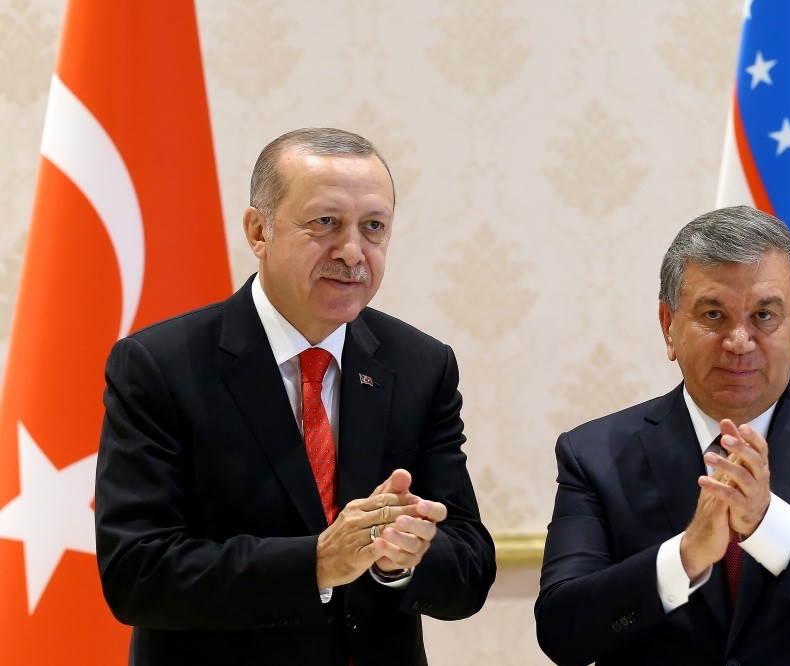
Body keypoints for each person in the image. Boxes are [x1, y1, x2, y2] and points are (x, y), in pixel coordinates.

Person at [95, 127, 495, 666]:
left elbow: (469, 566)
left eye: (373, 227)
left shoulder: (421, 365)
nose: (352, 251)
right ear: (259, 231)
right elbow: (137, 573)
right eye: (324, 223)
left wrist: (401, 559)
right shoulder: (161, 366)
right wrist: (316, 563)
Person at [535, 205, 790, 665]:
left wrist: (768, 526)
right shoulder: (595, 454)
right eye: (714, 314)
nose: (739, 339)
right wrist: (682, 560)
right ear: (668, 327)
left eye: (764, 315)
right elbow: (562, 632)